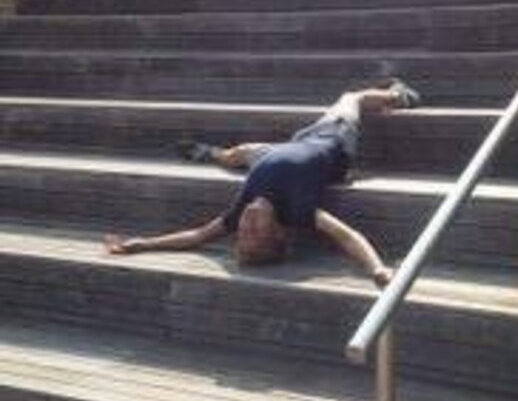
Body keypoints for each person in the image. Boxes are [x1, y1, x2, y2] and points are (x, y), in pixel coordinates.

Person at [105, 79, 420, 288]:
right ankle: (399, 95)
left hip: (279, 151)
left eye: (242, 233)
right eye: (256, 232)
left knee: (237, 154)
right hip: (331, 138)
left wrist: (142, 244)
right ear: (280, 232)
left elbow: (198, 236)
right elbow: (348, 237)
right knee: (351, 97)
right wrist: (377, 270)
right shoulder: (299, 210)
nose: (246, 224)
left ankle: (212, 154)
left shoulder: (243, 209)